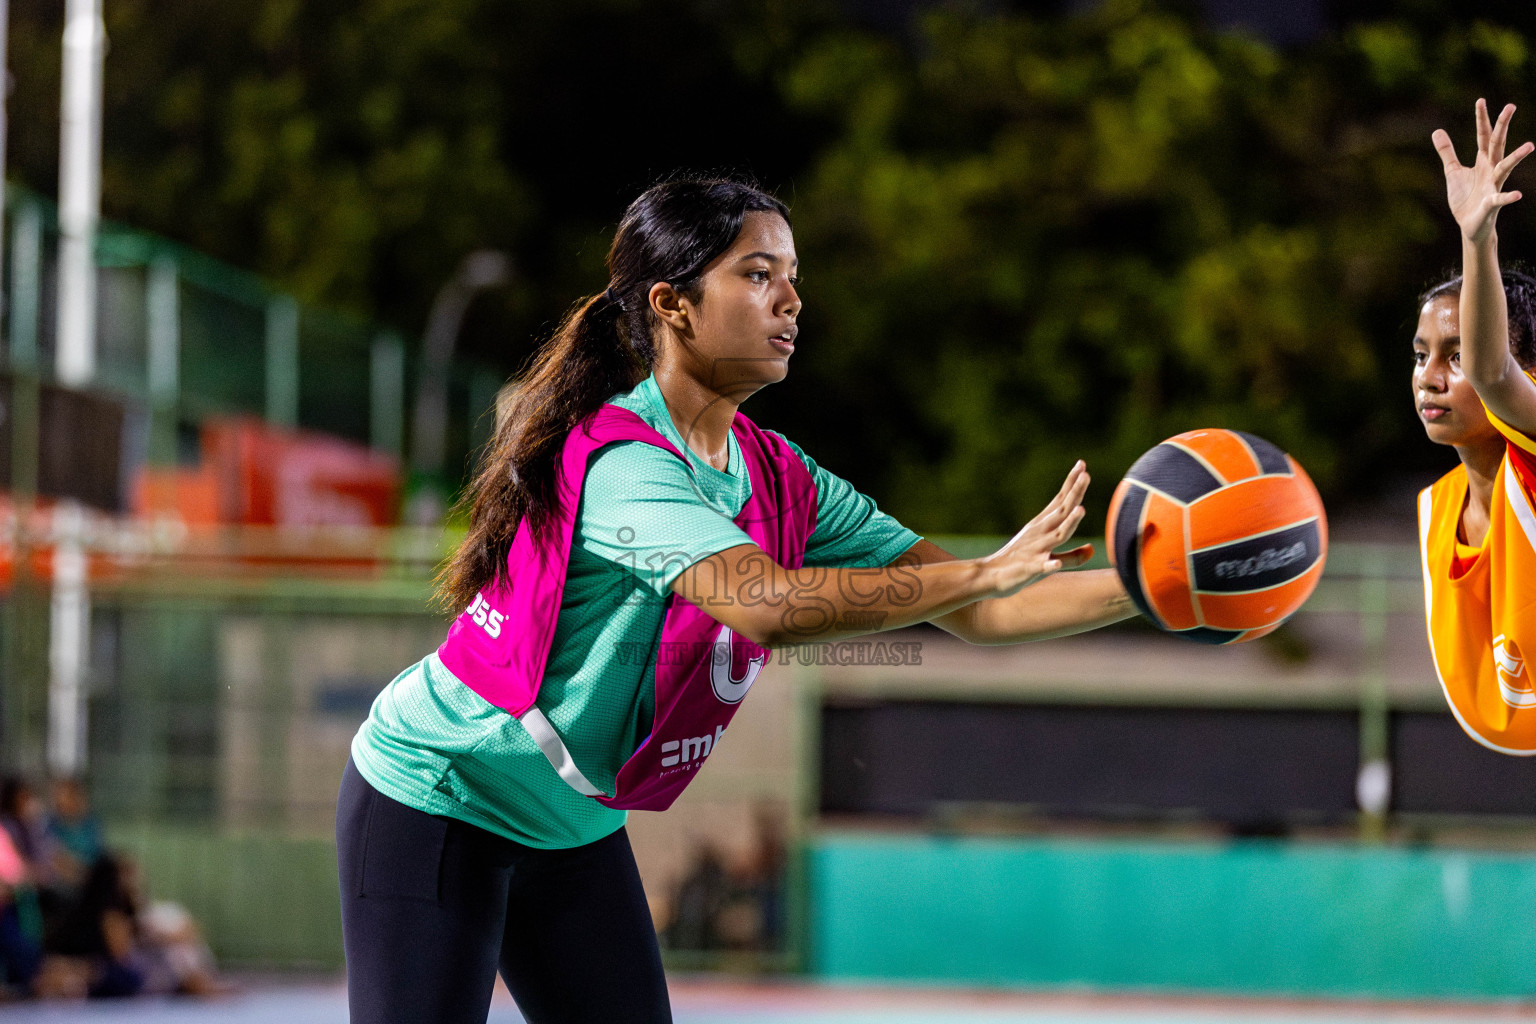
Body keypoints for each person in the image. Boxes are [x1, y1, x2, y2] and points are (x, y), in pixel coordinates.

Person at [337, 176, 1136, 1024]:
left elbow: (987, 615)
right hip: (440, 790)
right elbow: (767, 605)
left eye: (793, 275)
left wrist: (1161, 590)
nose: (791, 299)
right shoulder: (625, 463)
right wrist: (981, 571)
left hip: (566, 825)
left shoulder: (782, 475)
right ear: (673, 304)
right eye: (758, 275)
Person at [1419, 99, 1536, 753]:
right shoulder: (1444, 510)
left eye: (1455, 353)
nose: (1430, 376)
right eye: (1420, 353)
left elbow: (1495, 380)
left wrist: (1477, 235)